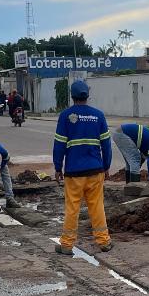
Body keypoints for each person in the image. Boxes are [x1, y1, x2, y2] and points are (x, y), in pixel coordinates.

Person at [53, 79, 113, 254]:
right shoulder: (98, 115)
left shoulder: (65, 116)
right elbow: (106, 145)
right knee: (97, 206)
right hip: (95, 170)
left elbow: (59, 145)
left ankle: (66, 245)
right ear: (88, 95)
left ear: (72, 96)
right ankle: (104, 242)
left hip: (74, 172)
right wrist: (106, 166)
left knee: (72, 208)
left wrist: (58, 167)